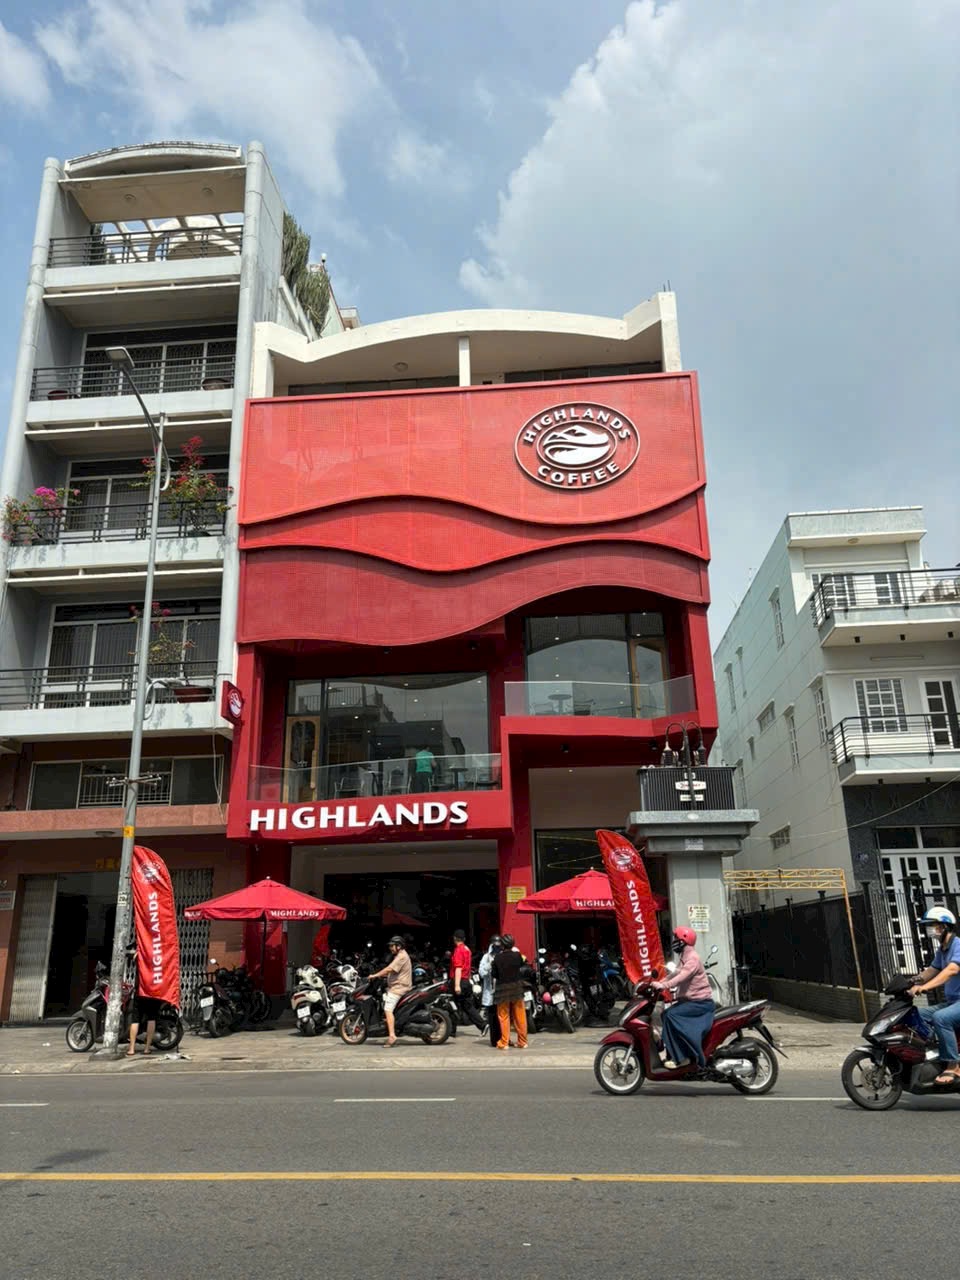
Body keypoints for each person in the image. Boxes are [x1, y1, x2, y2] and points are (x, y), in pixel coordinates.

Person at [908, 906, 960, 1085]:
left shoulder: (958, 945)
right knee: (916, 1014)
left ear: (944, 926)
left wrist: (925, 987)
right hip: (953, 1002)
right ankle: (935, 1052)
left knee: (941, 1018)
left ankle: (953, 1065)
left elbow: (951, 970)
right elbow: (932, 970)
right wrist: (912, 981)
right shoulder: (943, 950)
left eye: (932, 925)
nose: (929, 929)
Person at [652, 926, 715, 1069]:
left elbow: (682, 977)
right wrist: (659, 982)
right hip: (691, 1002)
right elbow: (675, 973)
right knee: (665, 1014)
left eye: (676, 939)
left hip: (700, 1003)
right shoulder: (685, 957)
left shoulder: (693, 958)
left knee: (671, 1015)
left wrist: (664, 985)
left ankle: (683, 1058)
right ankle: (671, 1053)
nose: (674, 941)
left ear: (684, 941)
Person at [369, 935, 412, 1047]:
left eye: (392, 946)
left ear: (399, 946)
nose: (391, 948)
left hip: (399, 988)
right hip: (397, 986)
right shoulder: (400, 955)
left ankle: (392, 1036)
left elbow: (389, 969)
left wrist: (375, 975)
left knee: (388, 1009)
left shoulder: (401, 956)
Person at [492, 933, 527, 1050]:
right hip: (517, 988)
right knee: (520, 1015)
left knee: (503, 1016)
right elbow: (523, 963)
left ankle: (504, 1042)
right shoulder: (517, 956)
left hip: (502, 990)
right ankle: (522, 1042)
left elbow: (494, 974)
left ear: (502, 945)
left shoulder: (497, 958)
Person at [450, 928, 485, 1034]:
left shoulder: (458, 950)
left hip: (459, 980)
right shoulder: (467, 949)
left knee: (451, 1004)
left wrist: (457, 985)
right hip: (466, 980)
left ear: (454, 938)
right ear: (464, 939)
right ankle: (482, 1025)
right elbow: (468, 967)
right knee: (466, 1005)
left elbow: (458, 968)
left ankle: (451, 1030)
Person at [478, 935, 503, 1046]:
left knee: (503, 1017)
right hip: (490, 991)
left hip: (501, 991)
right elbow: (481, 972)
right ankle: (494, 1040)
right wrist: (489, 965)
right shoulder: (486, 957)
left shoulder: (503, 956)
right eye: (494, 946)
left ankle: (504, 1038)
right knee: (492, 1017)